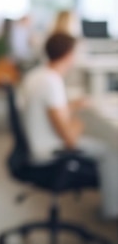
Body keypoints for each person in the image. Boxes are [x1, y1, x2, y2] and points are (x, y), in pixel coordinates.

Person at [20, 33, 118, 218]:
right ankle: (112, 211)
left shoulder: (37, 75)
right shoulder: (52, 82)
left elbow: (49, 110)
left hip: (34, 145)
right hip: (49, 152)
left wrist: (72, 106)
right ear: (68, 54)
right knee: (110, 150)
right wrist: (79, 122)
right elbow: (71, 140)